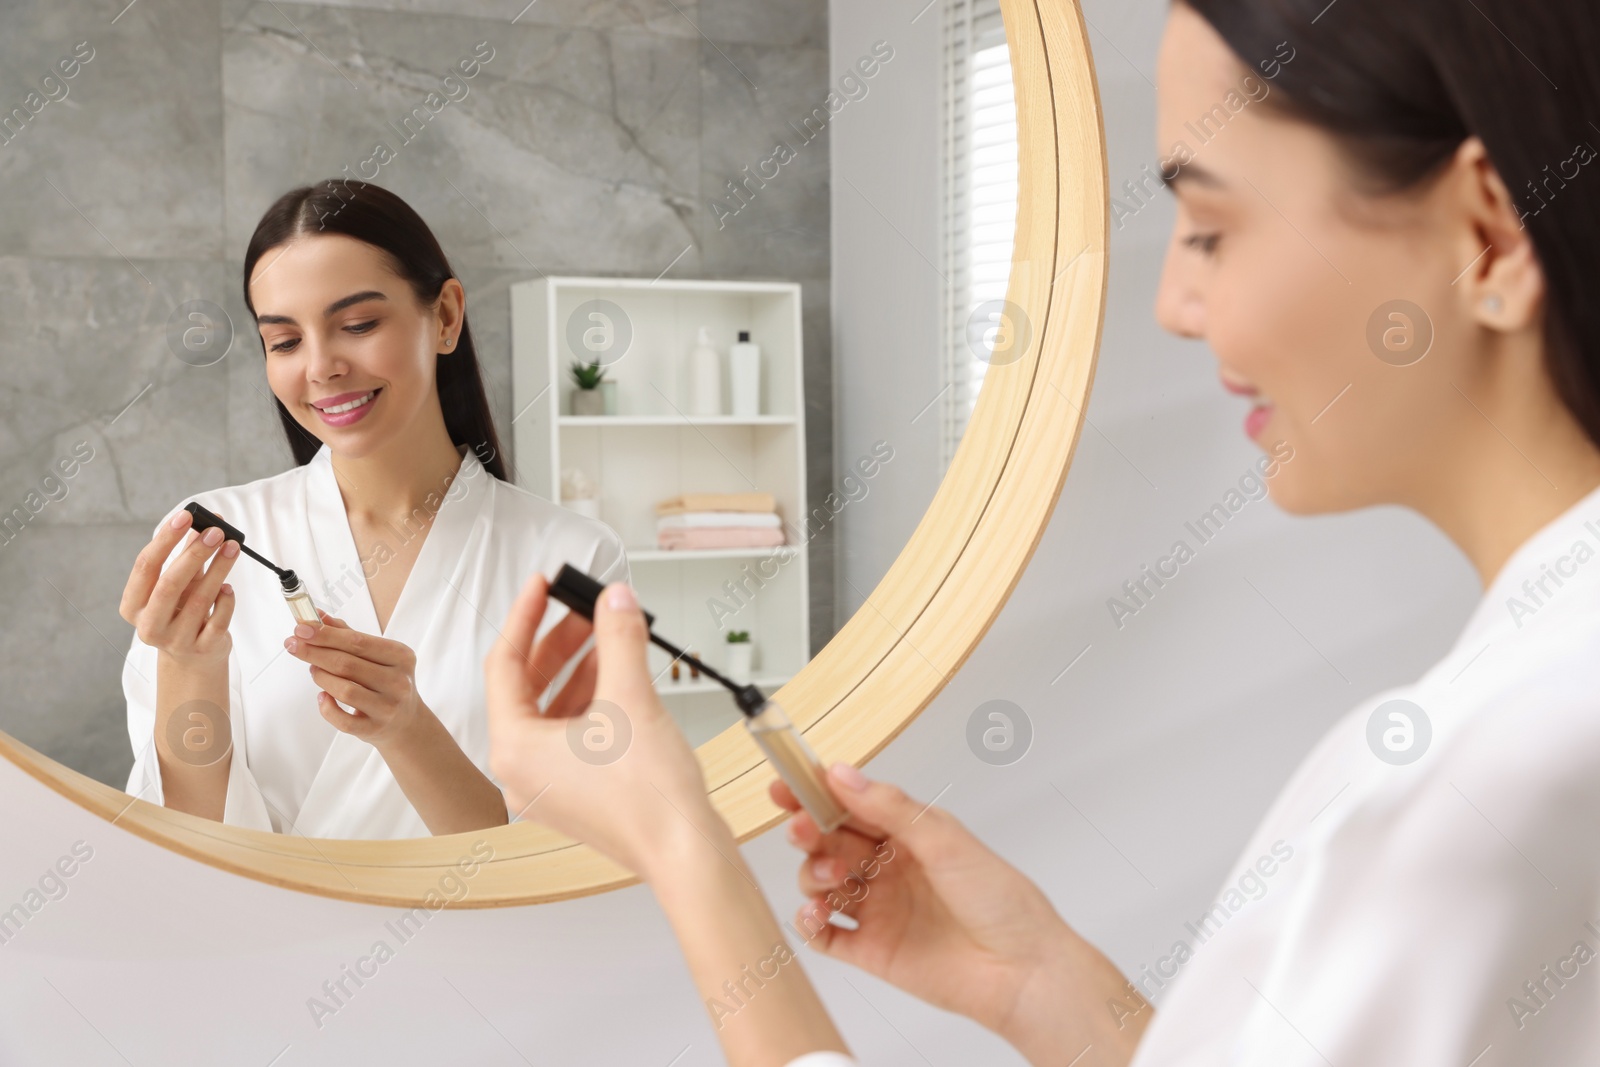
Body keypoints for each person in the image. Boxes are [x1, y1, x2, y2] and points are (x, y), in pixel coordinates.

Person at [485, 0, 1600, 1064]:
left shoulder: (1498, 781)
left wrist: (681, 846)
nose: (1174, 301)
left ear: (1485, 236)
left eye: (1210, 227)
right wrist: (1040, 983)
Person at [119, 181, 627, 839]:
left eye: (357, 325)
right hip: (264, 935)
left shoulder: (573, 558)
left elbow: (570, 851)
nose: (322, 367)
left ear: (444, 316)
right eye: (285, 341)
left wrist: (408, 730)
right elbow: (184, 843)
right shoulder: (216, 542)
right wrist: (187, 665)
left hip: (479, 939)